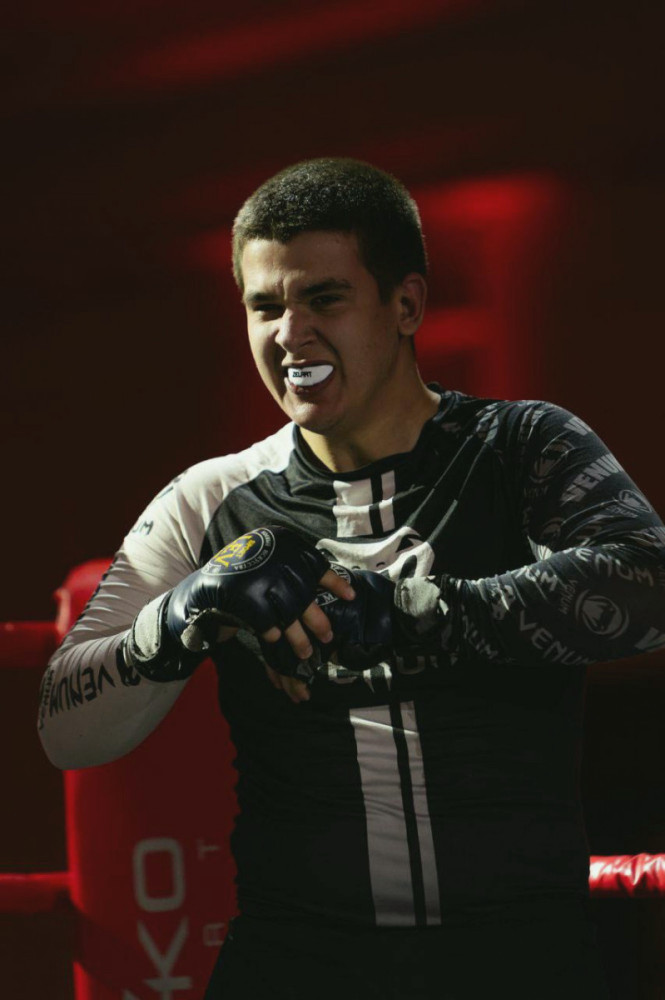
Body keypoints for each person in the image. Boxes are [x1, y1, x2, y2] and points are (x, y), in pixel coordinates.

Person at [38, 158, 665, 999]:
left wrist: (417, 611)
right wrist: (186, 613)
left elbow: (648, 578)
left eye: (323, 299)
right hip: (297, 955)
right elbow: (65, 726)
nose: (288, 334)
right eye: (265, 306)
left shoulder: (519, 448)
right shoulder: (210, 500)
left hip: (518, 950)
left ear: (405, 305)